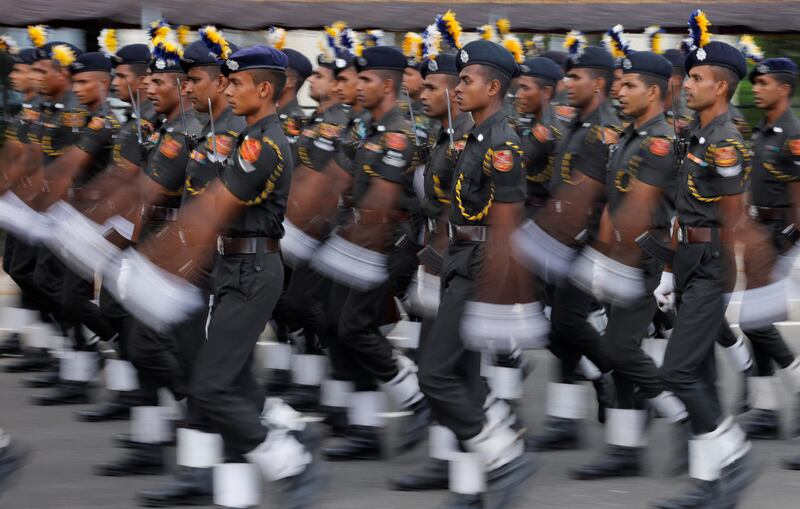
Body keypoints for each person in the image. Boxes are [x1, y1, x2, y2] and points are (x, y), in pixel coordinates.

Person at [417, 39, 535, 509]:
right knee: (462, 378)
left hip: (480, 267)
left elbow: (508, 219)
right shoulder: (475, 138)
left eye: (466, 80)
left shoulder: (503, 143)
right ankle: (471, 486)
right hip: (458, 261)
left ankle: (504, 454)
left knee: (434, 374)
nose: (458, 87)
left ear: (492, 87)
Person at [567, 50, 689, 480]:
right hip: (623, 257)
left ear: (654, 91)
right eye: (619, 84)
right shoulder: (628, 137)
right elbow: (612, 202)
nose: (619, 91)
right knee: (620, 358)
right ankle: (624, 450)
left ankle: (684, 417)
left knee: (620, 349)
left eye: (630, 85)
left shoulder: (661, 141)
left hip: (647, 260)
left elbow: (643, 208)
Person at [651, 39, 756, 509]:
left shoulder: (727, 141)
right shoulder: (695, 135)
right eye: (687, 77)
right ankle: (710, 484)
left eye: (696, 78)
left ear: (721, 86)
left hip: (712, 265)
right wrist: (670, 271)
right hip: (690, 262)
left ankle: (734, 451)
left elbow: (734, 218)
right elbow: (681, 212)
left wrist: (723, 278)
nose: (686, 85)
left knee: (676, 369)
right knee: (702, 375)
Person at [317, 44, 430, 461]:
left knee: (355, 327)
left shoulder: (402, 131)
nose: (357, 86)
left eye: (365, 79)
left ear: (386, 84)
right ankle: (365, 430)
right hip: (357, 239)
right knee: (335, 324)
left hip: (387, 243)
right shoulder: (372, 128)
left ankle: (418, 397)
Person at [528, 45, 621, 451]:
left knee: (565, 322)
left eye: (575, 77)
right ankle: (568, 417)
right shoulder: (579, 125)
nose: (567, 83)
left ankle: (619, 376)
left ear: (598, 83)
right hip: (557, 237)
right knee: (550, 324)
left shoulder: (604, 130)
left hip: (582, 242)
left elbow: (611, 195)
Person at [390, 51, 471, 493]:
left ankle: (494, 444)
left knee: (446, 370)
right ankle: (449, 461)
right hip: (434, 254)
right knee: (440, 367)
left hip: (456, 261)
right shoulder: (441, 138)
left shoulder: (468, 142)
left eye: (431, 86)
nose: (421, 94)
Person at [736, 57, 800, 440]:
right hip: (761, 230)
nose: (756, 88)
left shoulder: (792, 134)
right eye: (755, 83)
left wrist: (784, 241)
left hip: (780, 234)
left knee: (754, 322)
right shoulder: (764, 131)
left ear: (784, 89)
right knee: (755, 322)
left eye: (764, 83)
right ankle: (765, 410)